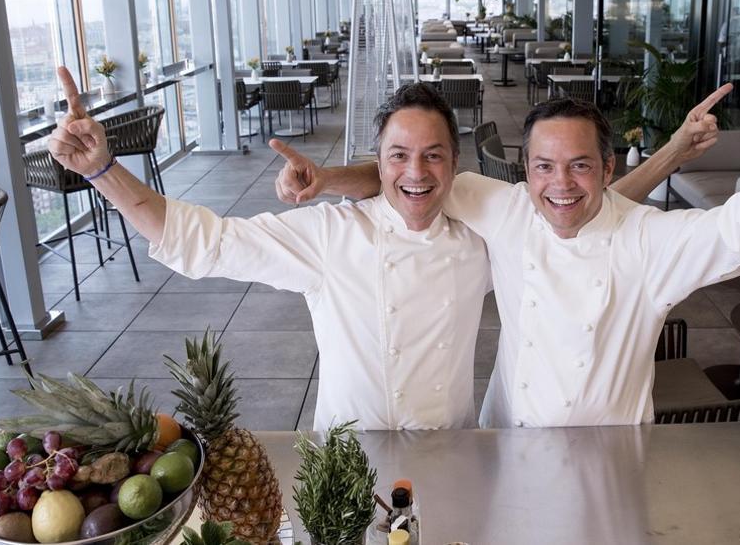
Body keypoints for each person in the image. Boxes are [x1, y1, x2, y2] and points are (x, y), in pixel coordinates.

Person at [275, 11, 740, 427]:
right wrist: (327, 181)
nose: (560, 184)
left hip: (602, 461)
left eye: (579, 166)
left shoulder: (647, 242)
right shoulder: (499, 206)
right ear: (523, 172)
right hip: (504, 440)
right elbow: (411, 176)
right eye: (544, 167)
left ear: (607, 169)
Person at [46, 73, 705, 430]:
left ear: (456, 165)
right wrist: (105, 170)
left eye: (432, 156)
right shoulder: (331, 238)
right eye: (398, 155)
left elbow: (587, 204)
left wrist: (672, 151)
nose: (415, 173)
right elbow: (201, 241)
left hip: (452, 453)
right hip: (347, 454)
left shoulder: (481, 232)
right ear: (379, 160)